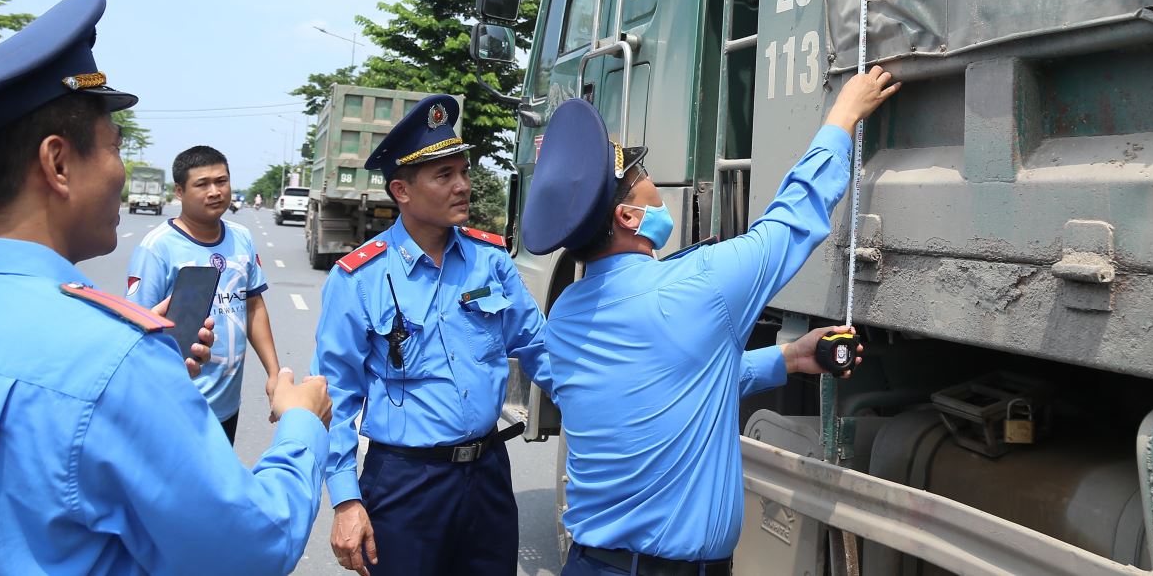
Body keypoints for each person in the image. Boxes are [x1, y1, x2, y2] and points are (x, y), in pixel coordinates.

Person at [0, 0, 335, 576]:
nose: (121, 174)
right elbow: (251, 549)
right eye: (115, 148)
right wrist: (301, 424)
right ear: (58, 163)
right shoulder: (116, 360)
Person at [522, 65, 900, 575]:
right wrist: (843, 115)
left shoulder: (567, 315)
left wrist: (790, 359)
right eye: (639, 175)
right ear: (628, 217)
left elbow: (675, 385)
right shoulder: (698, 287)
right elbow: (791, 221)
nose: (651, 181)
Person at [312, 94, 552, 576]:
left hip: (487, 476)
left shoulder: (491, 261)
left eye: (463, 171)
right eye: (444, 176)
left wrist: (606, 407)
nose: (463, 186)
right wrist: (346, 501)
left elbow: (539, 348)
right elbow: (335, 396)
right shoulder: (360, 278)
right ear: (401, 190)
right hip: (406, 484)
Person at [126, 144, 278, 444]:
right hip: (176, 408)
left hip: (227, 406)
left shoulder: (241, 238)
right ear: (179, 192)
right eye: (202, 184)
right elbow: (135, 329)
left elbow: (253, 306)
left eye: (221, 181)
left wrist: (273, 372)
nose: (215, 192)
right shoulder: (157, 248)